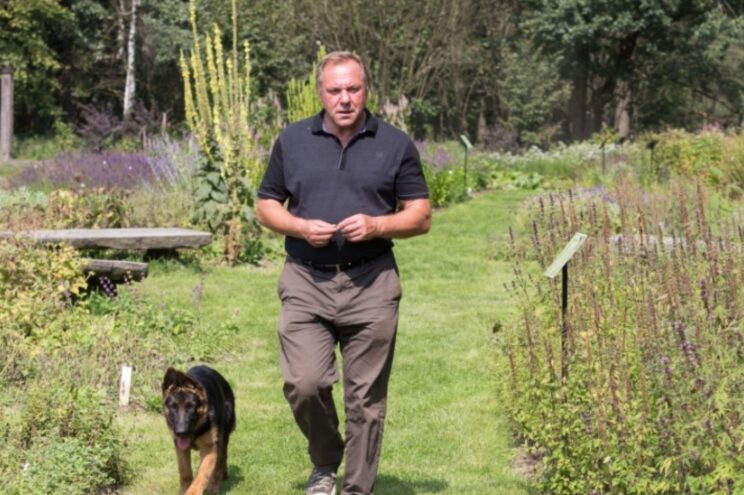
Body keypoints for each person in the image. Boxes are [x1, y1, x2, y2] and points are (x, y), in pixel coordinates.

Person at [255, 51, 432, 495]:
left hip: (371, 282)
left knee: (365, 400)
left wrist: (377, 225)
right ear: (321, 93)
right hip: (305, 280)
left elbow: (421, 215)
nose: (345, 99)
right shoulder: (293, 140)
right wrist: (299, 227)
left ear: (366, 90)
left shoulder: (395, 144)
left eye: (353, 89)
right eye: (335, 90)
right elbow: (266, 204)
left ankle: (356, 488)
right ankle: (325, 459)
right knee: (304, 383)